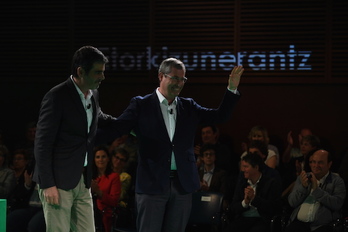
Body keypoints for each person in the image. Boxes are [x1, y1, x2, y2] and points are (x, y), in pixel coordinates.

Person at [97, 57, 243, 232]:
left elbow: (220, 117)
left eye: (182, 79)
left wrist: (232, 88)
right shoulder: (141, 104)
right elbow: (117, 128)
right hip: (152, 184)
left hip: (182, 185)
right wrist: (87, 136)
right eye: (174, 78)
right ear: (161, 76)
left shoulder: (189, 106)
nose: (179, 83)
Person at [33, 45, 116, 232]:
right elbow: (42, 144)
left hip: (82, 178)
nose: (102, 77)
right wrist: (48, 184)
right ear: (80, 71)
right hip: (57, 180)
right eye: (97, 73)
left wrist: (127, 125)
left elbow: (99, 117)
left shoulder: (93, 93)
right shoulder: (56, 97)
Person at [284, 149, 346, 232]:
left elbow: (337, 204)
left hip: (322, 226)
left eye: (320, 162)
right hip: (299, 223)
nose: (315, 165)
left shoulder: (337, 181)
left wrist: (317, 190)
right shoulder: (303, 178)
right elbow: (292, 202)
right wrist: (303, 187)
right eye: (313, 162)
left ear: (329, 164)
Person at [225, 152, 282, 232]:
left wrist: (254, 199)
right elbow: (233, 207)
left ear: (256, 167)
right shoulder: (242, 182)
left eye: (246, 167)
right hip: (243, 218)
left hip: (262, 219)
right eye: (242, 166)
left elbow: (273, 208)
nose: (243, 170)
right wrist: (245, 202)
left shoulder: (270, 183)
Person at [91, 146, 121, 232]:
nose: (101, 159)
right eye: (97, 157)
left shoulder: (114, 177)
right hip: (88, 212)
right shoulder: (89, 176)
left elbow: (114, 201)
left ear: (108, 159)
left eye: (103, 157)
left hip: (104, 217)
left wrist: (99, 192)